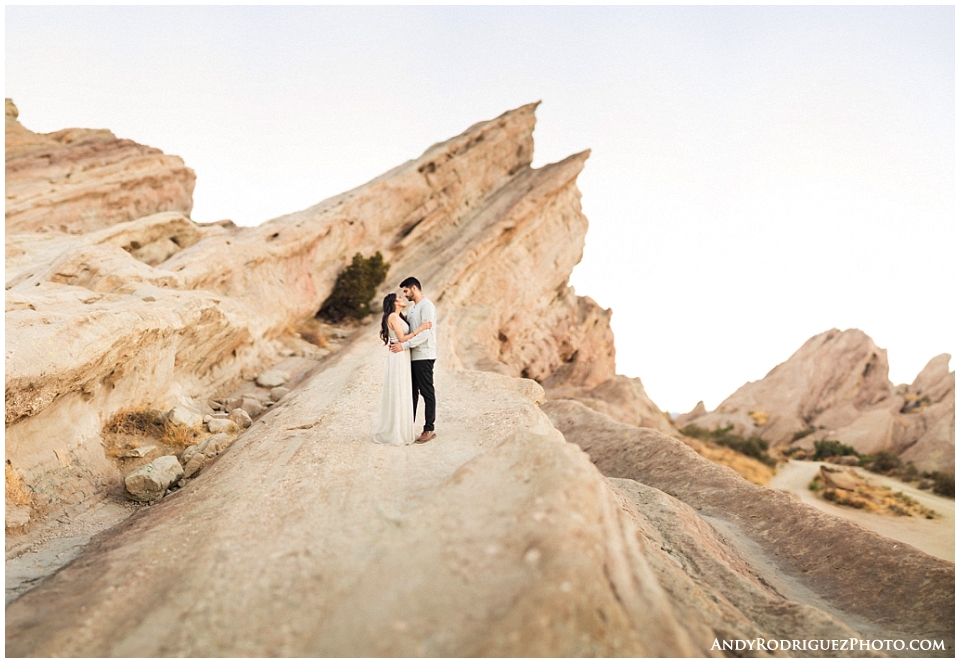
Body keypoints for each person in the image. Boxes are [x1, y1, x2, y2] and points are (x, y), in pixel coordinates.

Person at [373, 292, 432, 446]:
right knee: (399, 390)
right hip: (399, 355)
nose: (402, 299)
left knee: (404, 391)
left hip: (403, 354)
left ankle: (402, 428)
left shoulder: (399, 316)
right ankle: (396, 431)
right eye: (399, 298)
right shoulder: (393, 316)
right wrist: (422, 328)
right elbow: (402, 338)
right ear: (394, 302)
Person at [389, 277, 437, 443]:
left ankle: (429, 428)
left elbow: (426, 333)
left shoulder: (427, 306)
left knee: (427, 392)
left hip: (424, 354)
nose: (405, 294)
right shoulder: (411, 310)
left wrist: (404, 345)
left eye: (406, 291)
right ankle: (407, 428)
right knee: (412, 394)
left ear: (414, 288)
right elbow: (407, 332)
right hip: (411, 356)